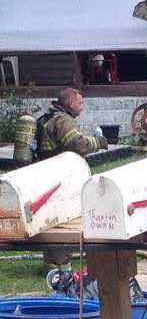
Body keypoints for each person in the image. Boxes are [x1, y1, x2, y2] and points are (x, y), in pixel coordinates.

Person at [36, 87, 108, 268]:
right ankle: (59, 266)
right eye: (80, 102)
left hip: (50, 176)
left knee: (53, 219)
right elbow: (78, 144)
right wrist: (99, 142)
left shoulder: (49, 118)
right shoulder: (63, 120)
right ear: (70, 103)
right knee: (61, 220)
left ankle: (55, 263)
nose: (82, 107)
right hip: (59, 179)